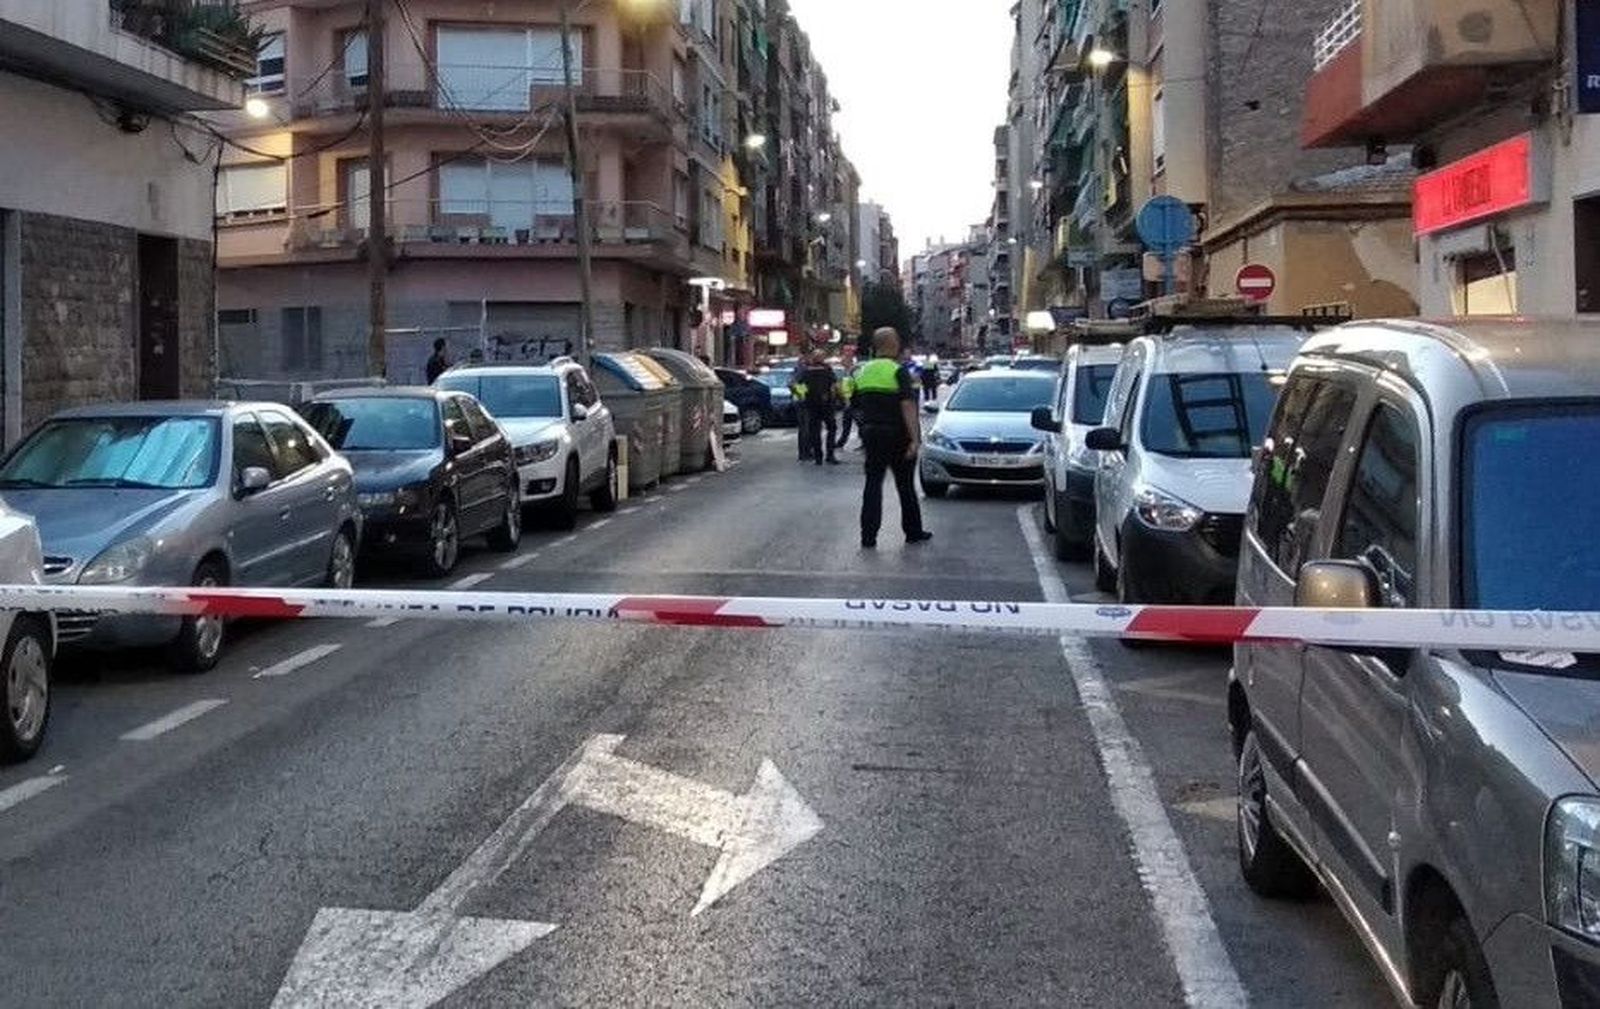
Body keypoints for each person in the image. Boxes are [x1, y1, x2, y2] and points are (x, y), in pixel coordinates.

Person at [855, 328, 931, 549]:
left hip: (872, 433)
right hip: (897, 434)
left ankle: (868, 537)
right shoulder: (898, 371)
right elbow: (908, 406)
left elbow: (856, 405)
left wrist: (865, 429)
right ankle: (913, 532)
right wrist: (915, 439)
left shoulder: (864, 371)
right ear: (893, 344)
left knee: (872, 484)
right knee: (905, 485)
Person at [798, 352, 839, 465]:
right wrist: (838, 398)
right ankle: (830, 455)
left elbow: (797, 385)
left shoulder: (806, 372)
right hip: (827, 404)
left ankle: (818, 457)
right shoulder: (828, 371)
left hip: (811, 404)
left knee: (815, 431)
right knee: (831, 428)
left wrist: (802, 396)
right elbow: (835, 386)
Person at [834, 365, 857, 452]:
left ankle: (841, 443)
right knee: (848, 426)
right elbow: (846, 393)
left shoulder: (849, 380)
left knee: (847, 426)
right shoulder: (850, 380)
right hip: (852, 406)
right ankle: (841, 443)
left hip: (851, 406)